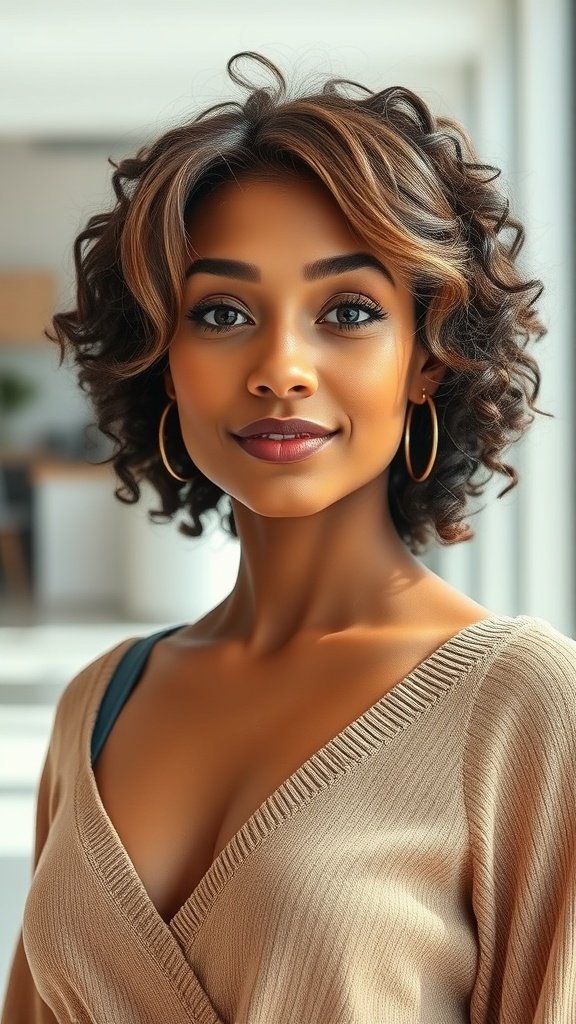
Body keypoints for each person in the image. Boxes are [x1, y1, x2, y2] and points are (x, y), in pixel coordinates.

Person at [2, 50, 575, 1024]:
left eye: (347, 311)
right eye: (222, 312)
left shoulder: (526, 707)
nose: (281, 367)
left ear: (427, 359)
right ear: (165, 360)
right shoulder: (98, 704)